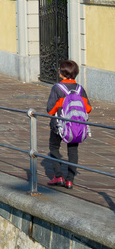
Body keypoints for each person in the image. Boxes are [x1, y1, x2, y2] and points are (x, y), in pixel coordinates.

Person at [45, 60, 92, 189]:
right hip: (75, 125)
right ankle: (70, 180)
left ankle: (58, 176)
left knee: (54, 147)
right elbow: (88, 108)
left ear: (62, 73)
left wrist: (60, 105)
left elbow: (50, 109)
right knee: (73, 150)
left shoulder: (57, 88)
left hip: (58, 125)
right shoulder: (79, 89)